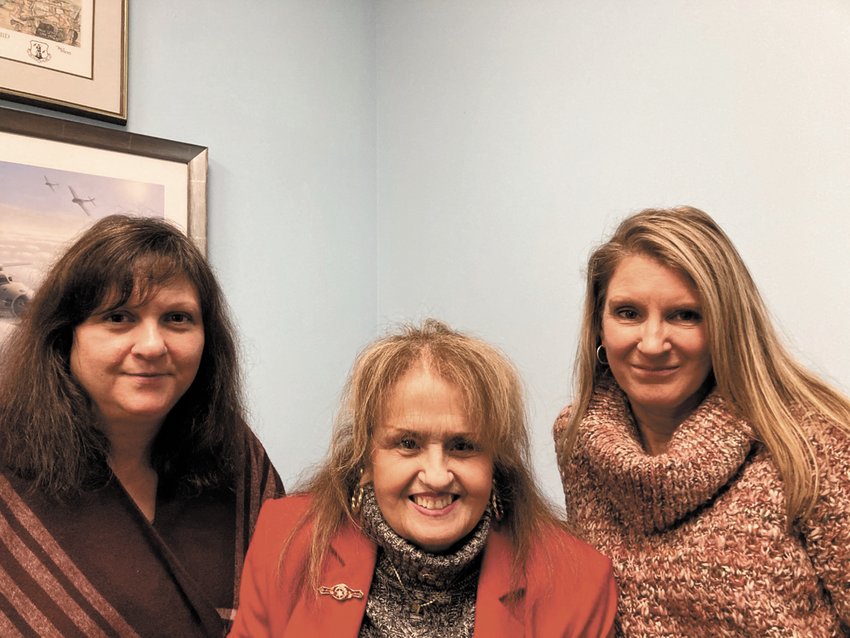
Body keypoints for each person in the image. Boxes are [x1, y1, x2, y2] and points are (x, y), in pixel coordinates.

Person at [553, 205, 850, 636]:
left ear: (726, 325)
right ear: (599, 327)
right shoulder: (580, 441)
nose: (652, 343)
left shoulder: (812, 441)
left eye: (685, 315)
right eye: (629, 313)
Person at [230, 319, 616, 637]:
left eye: (463, 446)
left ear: (495, 463)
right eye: (408, 443)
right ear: (366, 459)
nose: (435, 475)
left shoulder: (576, 580)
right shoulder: (286, 543)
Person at [0, 215, 283, 637]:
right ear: (65, 337)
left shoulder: (235, 454)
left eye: (177, 318)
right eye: (118, 317)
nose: (152, 346)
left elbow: (293, 602)